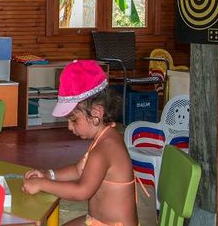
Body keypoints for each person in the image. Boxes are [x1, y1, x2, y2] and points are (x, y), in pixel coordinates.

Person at [21, 60, 138, 226]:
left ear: (96, 113)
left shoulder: (105, 148)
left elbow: (81, 192)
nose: (69, 126)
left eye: (74, 120)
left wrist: (42, 184)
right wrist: (49, 174)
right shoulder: (105, 137)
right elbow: (78, 170)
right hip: (96, 221)